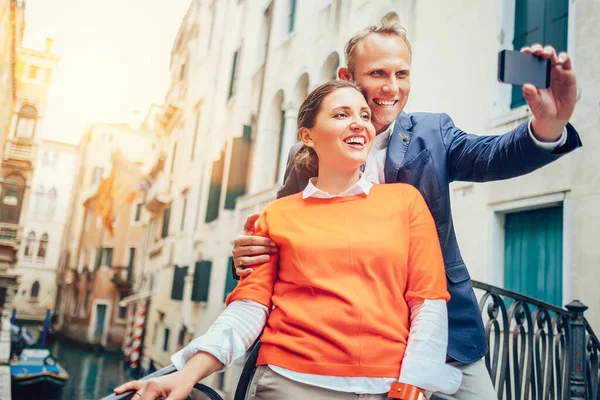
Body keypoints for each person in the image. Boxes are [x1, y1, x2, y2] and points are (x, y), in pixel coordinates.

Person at [232, 22, 582, 400]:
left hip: (446, 339)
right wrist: (249, 252)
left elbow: (492, 156)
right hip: (345, 352)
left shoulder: (434, 132)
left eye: (401, 74)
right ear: (347, 77)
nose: (391, 88)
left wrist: (548, 125)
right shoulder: (309, 154)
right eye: (378, 73)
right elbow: (285, 228)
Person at [115, 80, 462, 400]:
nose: (359, 123)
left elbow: (428, 303)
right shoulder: (277, 215)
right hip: (286, 384)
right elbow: (249, 309)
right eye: (342, 114)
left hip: (385, 387)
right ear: (308, 136)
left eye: (365, 115)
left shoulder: (405, 201)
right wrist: (187, 372)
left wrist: (414, 385)